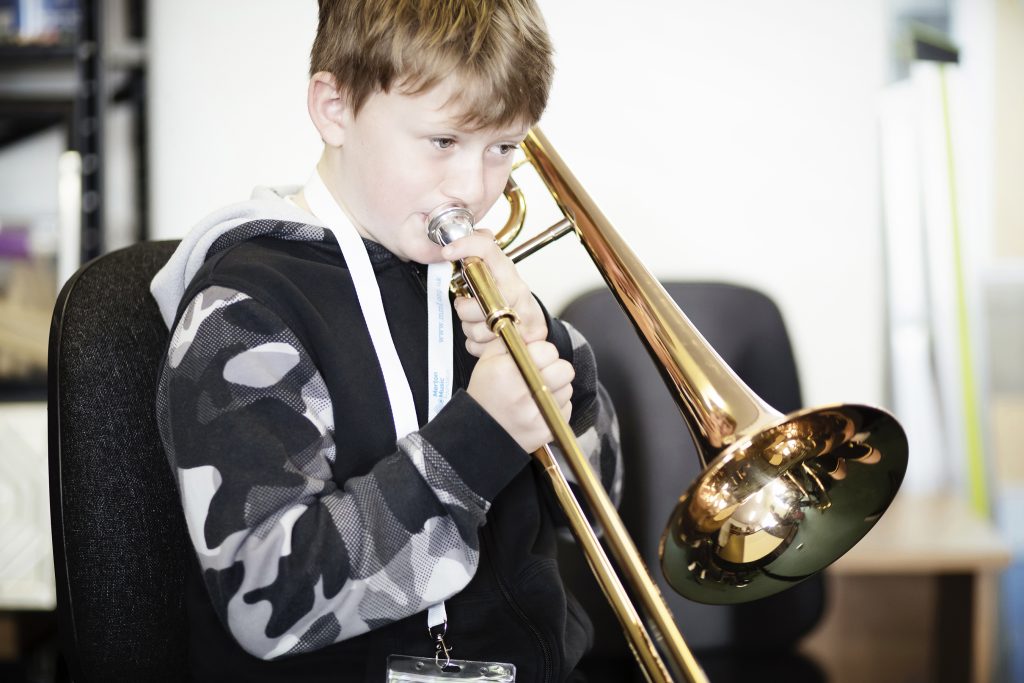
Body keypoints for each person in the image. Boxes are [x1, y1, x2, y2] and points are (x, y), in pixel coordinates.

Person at [151, 1, 621, 681]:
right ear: (334, 106)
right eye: (441, 142)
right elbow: (271, 602)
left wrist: (546, 350)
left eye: (503, 147)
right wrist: (481, 435)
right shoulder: (242, 313)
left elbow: (597, 512)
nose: (473, 187)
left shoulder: (471, 284)